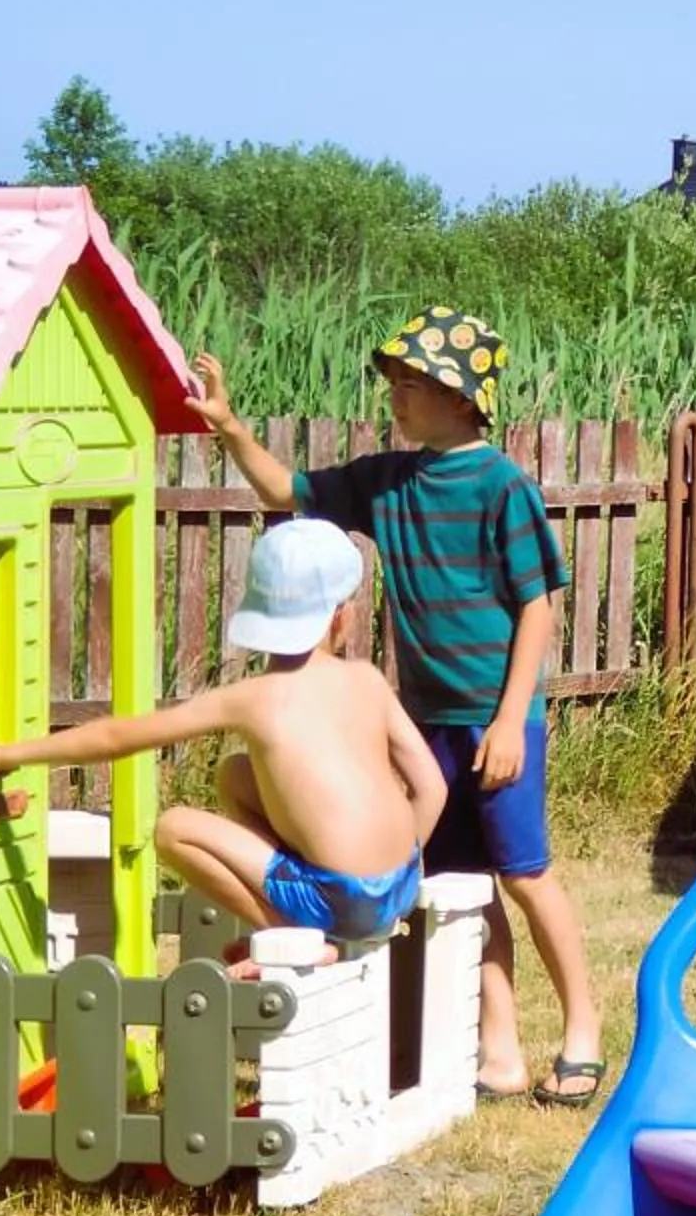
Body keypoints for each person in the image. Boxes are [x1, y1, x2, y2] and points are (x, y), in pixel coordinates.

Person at [191, 308, 608, 1107]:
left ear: (460, 397)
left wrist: (511, 716)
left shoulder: (503, 489)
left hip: (497, 720)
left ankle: (582, 1029)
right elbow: (287, 491)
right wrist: (230, 427)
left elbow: (538, 608)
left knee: (525, 876)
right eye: (393, 384)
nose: (396, 399)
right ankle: (500, 1049)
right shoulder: (388, 482)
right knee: (457, 886)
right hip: (427, 727)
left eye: (411, 385)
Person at [0, 517, 447, 979]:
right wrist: (396, 866)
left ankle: (289, 935)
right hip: (399, 886)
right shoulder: (366, 679)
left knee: (174, 829)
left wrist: (7, 754)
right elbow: (431, 786)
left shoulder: (252, 698)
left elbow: (116, 736)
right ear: (343, 617)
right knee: (235, 774)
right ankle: (311, 920)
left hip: (337, 898)